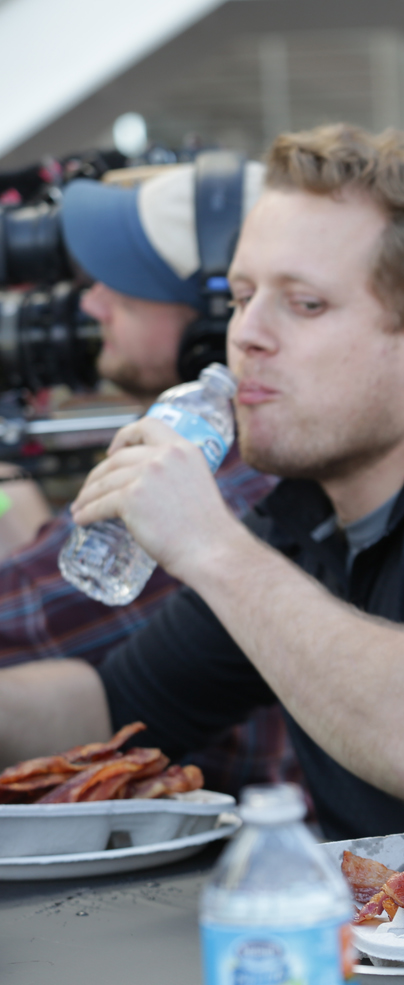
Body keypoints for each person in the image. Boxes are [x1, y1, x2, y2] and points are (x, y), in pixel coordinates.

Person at [0, 124, 404, 841]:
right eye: (242, 295)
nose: (246, 334)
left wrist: (211, 547)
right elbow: (114, 710)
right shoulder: (304, 508)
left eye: (304, 304)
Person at [0, 161, 282, 795]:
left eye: (121, 285)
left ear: (214, 316)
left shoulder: (223, 472)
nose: (90, 301)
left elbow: (25, 620)